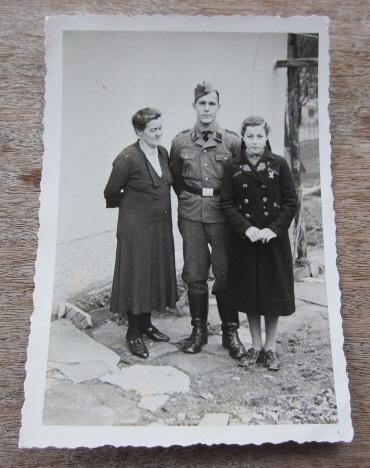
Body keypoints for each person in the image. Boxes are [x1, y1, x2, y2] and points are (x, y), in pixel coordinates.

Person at [170, 81, 246, 361]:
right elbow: (177, 180)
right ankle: (198, 331)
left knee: (225, 273)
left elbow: (240, 180)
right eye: (201, 103)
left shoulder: (232, 141)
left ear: (218, 107)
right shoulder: (180, 142)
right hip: (191, 214)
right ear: (194, 106)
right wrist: (191, 200)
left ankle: (230, 332)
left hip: (223, 217)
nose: (206, 109)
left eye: (211, 103)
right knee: (195, 273)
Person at [220, 115, 298, 371]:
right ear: (243, 137)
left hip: (272, 242)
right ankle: (254, 345)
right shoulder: (232, 167)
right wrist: (247, 228)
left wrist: (274, 230)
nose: (255, 142)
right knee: (250, 294)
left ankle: (270, 347)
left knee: (272, 294)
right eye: (250, 136)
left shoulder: (279, 165)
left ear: (267, 137)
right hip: (246, 242)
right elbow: (227, 204)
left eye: (259, 136)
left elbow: (290, 201)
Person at [104, 108, 178, 359]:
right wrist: (133, 206)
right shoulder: (127, 158)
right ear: (139, 131)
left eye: (160, 128)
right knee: (136, 277)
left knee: (152, 274)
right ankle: (133, 333)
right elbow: (111, 192)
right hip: (135, 230)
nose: (158, 133)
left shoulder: (163, 153)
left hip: (159, 228)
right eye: (153, 130)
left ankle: (146, 325)